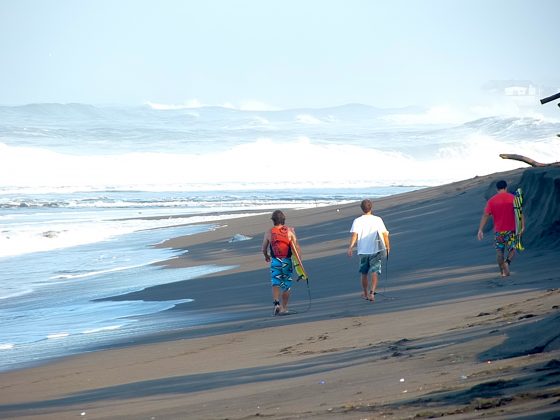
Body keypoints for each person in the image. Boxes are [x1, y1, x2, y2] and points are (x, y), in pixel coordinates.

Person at [477, 180, 524, 277]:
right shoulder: (513, 198)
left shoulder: (491, 201)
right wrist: (522, 226)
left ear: (496, 189)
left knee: (499, 252)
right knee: (512, 249)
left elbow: (486, 215)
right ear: (506, 187)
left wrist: (480, 229)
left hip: (499, 231)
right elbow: (520, 213)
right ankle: (507, 263)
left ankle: (502, 272)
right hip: (511, 230)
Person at [347, 199, 390, 302]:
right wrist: (388, 246)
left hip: (363, 251)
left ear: (362, 208)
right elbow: (384, 234)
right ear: (371, 208)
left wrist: (350, 247)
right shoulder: (378, 219)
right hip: (375, 249)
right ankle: (372, 293)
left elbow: (354, 235)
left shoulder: (357, 221)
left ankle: (366, 293)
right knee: (374, 272)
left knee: (364, 273)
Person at [262, 210, 299, 315]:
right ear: (283, 220)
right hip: (287, 261)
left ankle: (276, 304)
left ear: (273, 220)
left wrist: (266, 256)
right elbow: (295, 248)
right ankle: (284, 307)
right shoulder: (289, 232)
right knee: (286, 285)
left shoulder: (269, 232)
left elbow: (263, 248)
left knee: (275, 282)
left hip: (275, 261)